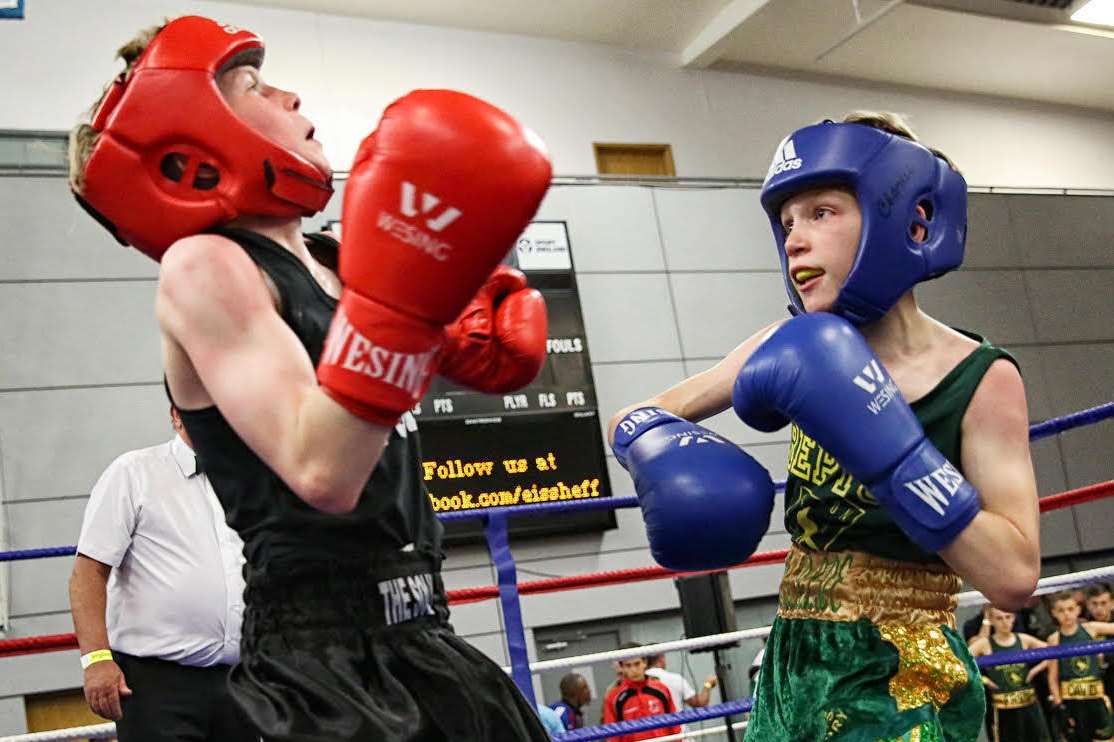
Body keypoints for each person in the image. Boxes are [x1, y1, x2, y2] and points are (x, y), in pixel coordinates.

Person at [69, 14, 553, 742]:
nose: (292, 97)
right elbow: (321, 467)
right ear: (189, 145)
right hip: (320, 667)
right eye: (254, 85)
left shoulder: (341, 259)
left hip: (427, 633)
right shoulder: (205, 266)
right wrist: (408, 315)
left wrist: (457, 335)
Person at [608, 111, 1042, 740]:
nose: (795, 240)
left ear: (904, 219)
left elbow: (1015, 576)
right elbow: (636, 416)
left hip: (902, 671)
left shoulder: (980, 376)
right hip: (793, 664)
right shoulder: (790, 343)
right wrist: (660, 452)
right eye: (786, 223)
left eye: (821, 212)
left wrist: (899, 461)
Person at [68, 406, 255, 741]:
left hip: (241, 680)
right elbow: (88, 573)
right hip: (157, 683)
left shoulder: (249, 478)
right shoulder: (134, 472)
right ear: (176, 414)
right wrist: (96, 659)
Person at [968, 606, 1052, 742]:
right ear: (991, 620)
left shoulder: (1023, 639)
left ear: (1013, 618)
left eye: (1008, 617)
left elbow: (1055, 650)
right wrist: (983, 679)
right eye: (999, 618)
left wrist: (1035, 671)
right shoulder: (984, 644)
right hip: (1003, 709)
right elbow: (959, 663)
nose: (1004, 622)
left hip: (1029, 704)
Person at [1047, 591, 1114, 742]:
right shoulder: (1054, 639)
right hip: (1071, 702)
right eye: (1061, 610)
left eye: (1070, 609)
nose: (1067, 614)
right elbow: (1052, 677)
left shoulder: (1091, 628)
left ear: (1078, 609)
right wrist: (1060, 708)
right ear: (1054, 613)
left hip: (1096, 698)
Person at [602, 643, 680, 741]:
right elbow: (612, 735)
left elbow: (674, 723)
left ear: (645, 662)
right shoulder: (614, 697)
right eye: (628, 665)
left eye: (637, 664)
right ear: (622, 667)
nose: (634, 670)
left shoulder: (661, 689)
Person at [644, 653, 716, 741]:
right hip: (678, 734)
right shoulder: (674, 679)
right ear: (662, 658)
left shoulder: (636, 684)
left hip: (652, 736)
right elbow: (700, 702)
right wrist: (708, 684)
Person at [1085, 584, 1114, 701]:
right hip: (1096, 686)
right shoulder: (1082, 625)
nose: (1099, 609)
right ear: (1087, 604)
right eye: (1094, 604)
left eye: (1103, 603)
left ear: (1112, 603)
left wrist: (1105, 658)